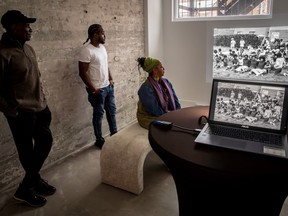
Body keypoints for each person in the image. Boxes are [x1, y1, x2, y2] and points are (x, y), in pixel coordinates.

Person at [0, 10, 56, 207]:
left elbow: (36, 77)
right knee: (27, 151)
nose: (30, 29)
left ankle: (30, 181)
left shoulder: (29, 48)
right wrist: (12, 109)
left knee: (45, 141)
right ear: (13, 27)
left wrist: (43, 99)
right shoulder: (3, 52)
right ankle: (28, 187)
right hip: (21, 113)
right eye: (26, 25)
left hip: (40, 108)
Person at [78, 24, 117, 149]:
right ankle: (99, 140)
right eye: (102, 33)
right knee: (98, 115)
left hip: (108, 88)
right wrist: (93, 89)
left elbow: (106, 65)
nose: (104, 35)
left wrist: (110, 78)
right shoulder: (86, 50)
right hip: (97, 90)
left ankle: (115, 136)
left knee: (112, 112)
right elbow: (82, 72)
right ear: (95, 35)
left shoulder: (102, 48)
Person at [136, 57, 181, 129]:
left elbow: (175, 99)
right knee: (171, 126)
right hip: (149, 117)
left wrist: (178, 112)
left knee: (181, 119)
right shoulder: (145, 88)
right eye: (161, 67)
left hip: (164, 112)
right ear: (155, 70)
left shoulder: (166, 82)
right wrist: (170, 115)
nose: (164, 68)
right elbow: (154, 110)